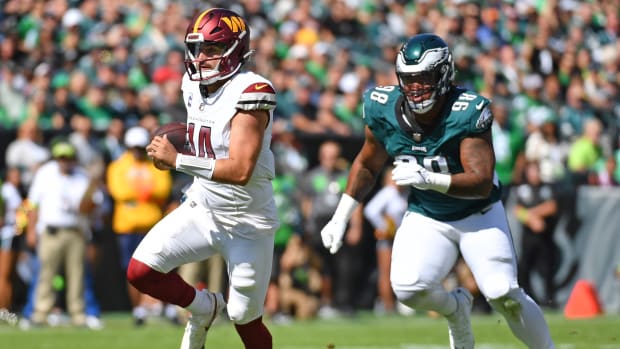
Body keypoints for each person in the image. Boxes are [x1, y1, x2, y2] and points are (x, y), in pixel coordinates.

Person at [319, 33, 555, 349]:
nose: (415, 87)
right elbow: (366, 164)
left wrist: (429, 178)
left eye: (424, 78)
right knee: (407, 288)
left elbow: (482, 181)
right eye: (408, 79)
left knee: (503, 293)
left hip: (478, 215)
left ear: (443, 74)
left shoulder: (467, 111)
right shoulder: (382, 107)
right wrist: (341, 215)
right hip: (427, 214)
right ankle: (455, 310)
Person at [126, 8, 279, 349]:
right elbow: (203, 142)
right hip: (203, 207)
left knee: (244, 318)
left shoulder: (252, 90)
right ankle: (204, 307)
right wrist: (175, 153)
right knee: (140, 271)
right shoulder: (191, 86)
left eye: (210, 49)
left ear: (235, 50)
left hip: (247, 222)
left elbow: (240, 170)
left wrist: (178, 159)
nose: (201, 58)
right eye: (197, 49)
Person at [25, 140, 101, 328]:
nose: (64, 162)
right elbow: (33, 204)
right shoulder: (45, 173)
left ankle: (78, 313)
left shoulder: (83, 176)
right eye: (61, 158)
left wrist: (91, 194)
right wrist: (31, 230)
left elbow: (92, 206)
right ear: (56, 158)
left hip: (75, 231)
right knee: (46, 274)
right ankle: (40, 313)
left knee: (77, 274)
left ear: (74, 159)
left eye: (67, 158)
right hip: (51, 231)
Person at [106, 126, 172, 326]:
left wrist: (137, 194)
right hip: (127, 227)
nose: (135, 151)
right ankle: (138, 309)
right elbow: (120, 192)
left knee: (156, 268)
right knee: (131, 271)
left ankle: (153, 305)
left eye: (138, 147)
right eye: (132, 147)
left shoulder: (155, 164)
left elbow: (163, 189)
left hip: (151, 225)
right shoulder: (118, 166)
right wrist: (146, 193)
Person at [514, 161, 559, 309]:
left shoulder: (546, 188)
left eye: (536, 171)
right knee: (525, 267)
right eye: (531, 171)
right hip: (529, 236)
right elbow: (517, 211)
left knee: (547, 268)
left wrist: (533, 214)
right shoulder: (523, 189)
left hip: (545, 236)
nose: (534, 174)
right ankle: (529, 298)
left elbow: (551, 206)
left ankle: (549, 300)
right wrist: (532, 219)